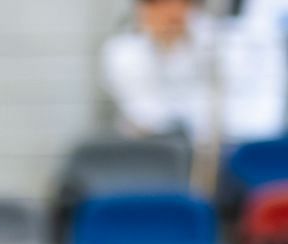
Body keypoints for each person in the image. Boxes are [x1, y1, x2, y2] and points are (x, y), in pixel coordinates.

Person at [102, 0, 285, 146]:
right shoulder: (123, 52)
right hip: (153, 151)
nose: (168, 10)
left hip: (219, 148)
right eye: (155, 3)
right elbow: (147, 115)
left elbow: (235, 104)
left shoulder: (220, 42)